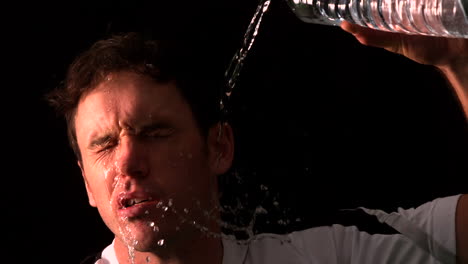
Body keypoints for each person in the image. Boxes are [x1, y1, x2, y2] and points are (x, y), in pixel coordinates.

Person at [45, 24, 467, 264]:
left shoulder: (332, 251)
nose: (128, 162)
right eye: (103, 145)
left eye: (155, 133)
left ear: (219, 147)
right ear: (85, 183)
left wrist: (458, 60)